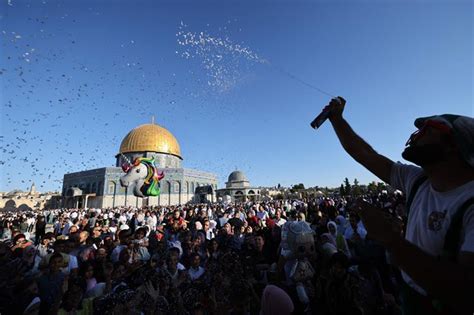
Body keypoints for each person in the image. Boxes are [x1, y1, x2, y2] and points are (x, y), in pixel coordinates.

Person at [326, 96, 474, 314]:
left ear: (453, 145)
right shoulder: (419, 180)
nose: (416, 136)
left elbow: (465, 293)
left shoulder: (469, 203)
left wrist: (390, 239)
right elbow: (365, 154)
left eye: (427, 130)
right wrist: (337, 120)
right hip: (408, 293)